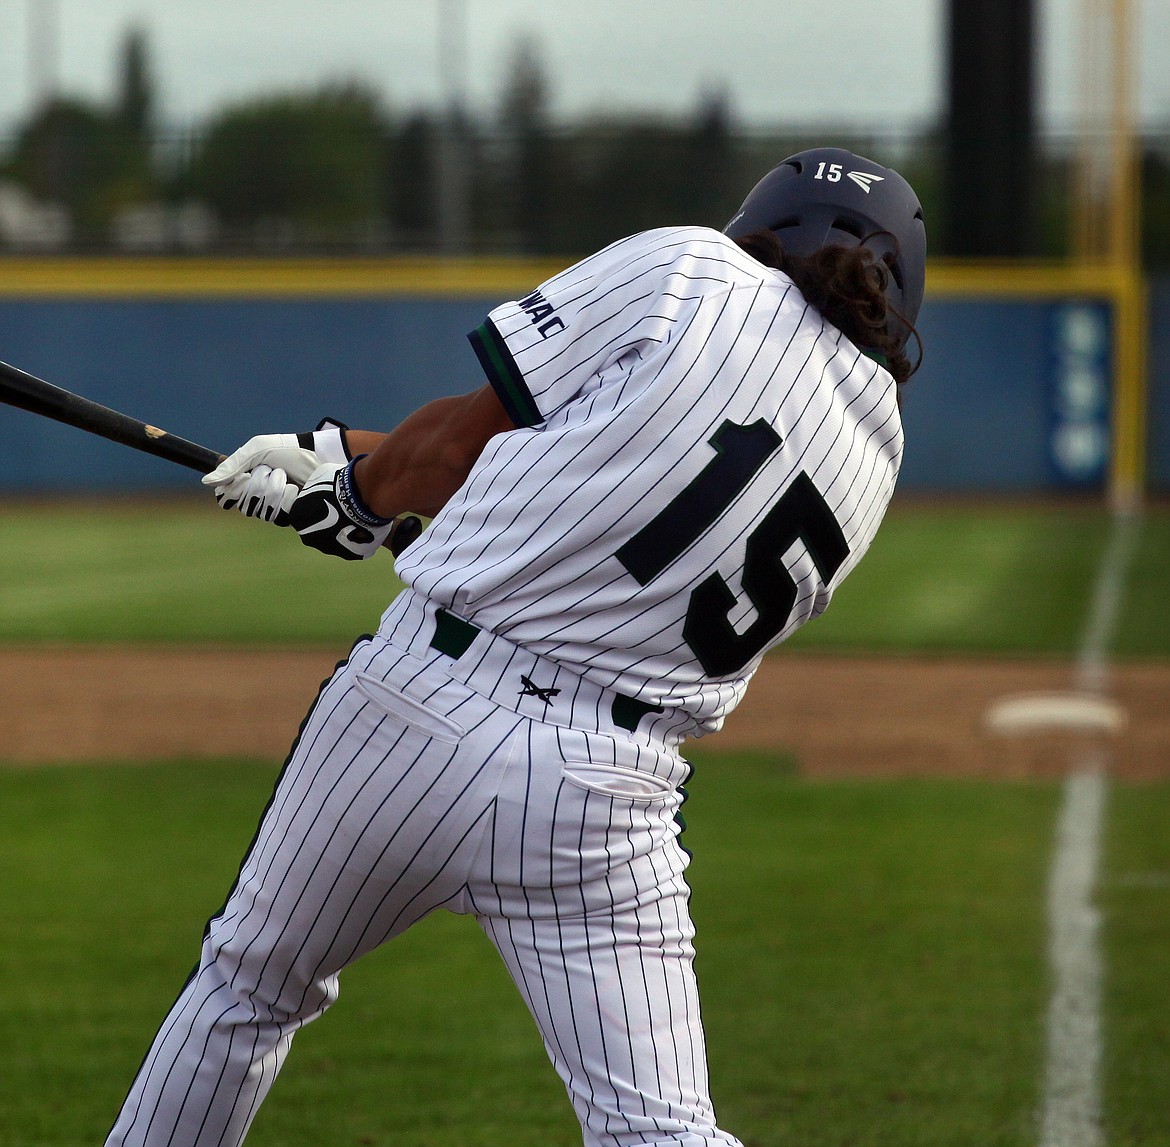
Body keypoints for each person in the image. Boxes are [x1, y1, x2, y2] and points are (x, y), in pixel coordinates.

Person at [106, 146, 926, 1147]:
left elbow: (460, 448)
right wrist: (348, 462)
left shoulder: (696, 268)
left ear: (769, 220)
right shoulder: (877, 448)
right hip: (609, 793)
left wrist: (358, 496)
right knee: (663, 1130)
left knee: (247, 988)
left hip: (415, 710)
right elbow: (573, 487)